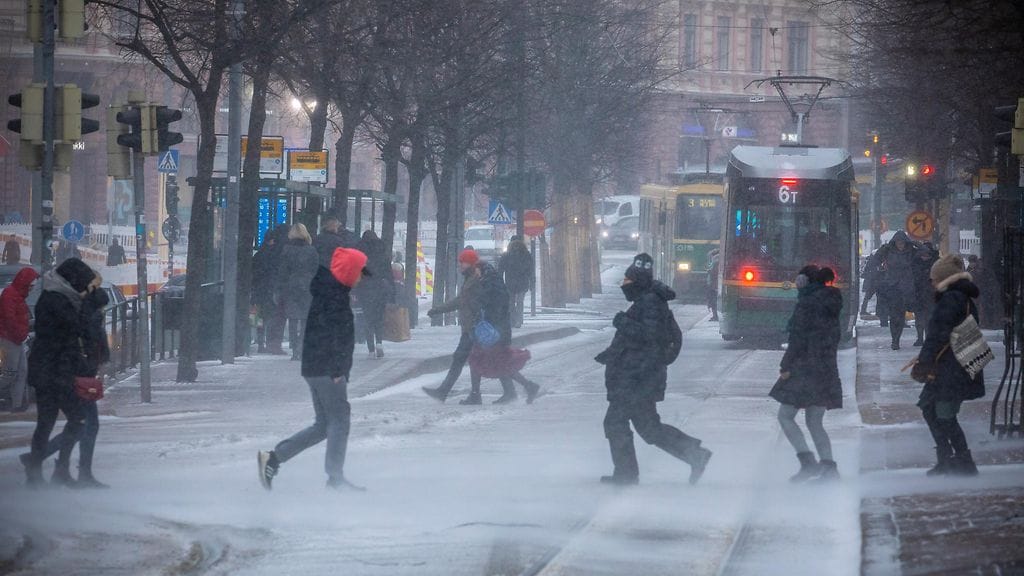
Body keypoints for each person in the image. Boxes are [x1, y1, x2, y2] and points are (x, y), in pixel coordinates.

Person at [594, 253, 712, 486]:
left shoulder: (649, 302)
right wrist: (612, 354)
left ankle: (627, 473)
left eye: (626, 282)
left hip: (638, 377)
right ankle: (694, 454)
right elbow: (641, 341)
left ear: (635, 282)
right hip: (640, 376)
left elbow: (650, 336)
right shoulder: (648, 301)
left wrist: (622, 323)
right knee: (648, 427)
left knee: (616, 423)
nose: (623, 286)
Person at [258, 247, 368, 492]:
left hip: (316, 367)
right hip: (328, 369)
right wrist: (338, 368)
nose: (361, 276)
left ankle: (274, 458)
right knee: (339, 420)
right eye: (359, 271)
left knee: (324, 425)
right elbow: (332, 336)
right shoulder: (334, 297)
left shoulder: (329, 292)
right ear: (350, 272)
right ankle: (335, 478)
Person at [21, 258, 95, 487]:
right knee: (76, 420)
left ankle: (38, 470)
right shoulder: (58, 300)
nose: (83, 289)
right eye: (81, 284)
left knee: (47, 422)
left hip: (51, 370)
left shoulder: (56, 297)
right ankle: (47, 468)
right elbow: (70, 335)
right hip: (54, 372)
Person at [911, 254, 985, 476]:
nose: (931, 282)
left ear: (943, 278)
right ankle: (950, 459)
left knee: (941, 413)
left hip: (950, 368)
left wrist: (924, 361)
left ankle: (961, 461)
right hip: (955, 365)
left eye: (933, 278)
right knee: (932, 408)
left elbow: (937, 334)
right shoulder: (962, 297)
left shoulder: (951, 298)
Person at [36, 274, 111, 488]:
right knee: (86, 424)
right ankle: (58, 464)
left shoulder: (85, 316)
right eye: (103, 308)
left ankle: (53, 464)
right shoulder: (90, 320)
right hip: (79, 377)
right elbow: (91, 348)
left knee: (83, 424)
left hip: (79, 376)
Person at [771, 265, 843, 482]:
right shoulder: (832, 302)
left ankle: (808, 462)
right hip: (825, 368)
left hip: (804, 369)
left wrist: (786, 366)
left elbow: (798, 339)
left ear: (804, 281)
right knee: (815, 420)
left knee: (785, 416)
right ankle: (829, 467)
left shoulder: (807, 303)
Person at [463, 261, 541, 405]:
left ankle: (477, 395)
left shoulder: (490, 284)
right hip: (497, 330)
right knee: (499, 362)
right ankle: (520, 389)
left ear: (482, 271)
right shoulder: (494, 282)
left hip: (492, 332)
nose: (476, 274)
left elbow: (490, 306)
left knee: (478, 359)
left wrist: (477, 304)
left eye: (477, 272)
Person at [422, 249, 483, 402]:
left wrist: (438, 309)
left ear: (470, 263)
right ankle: (472, 394)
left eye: (463, 262)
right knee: (470, 360)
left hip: (473, 328)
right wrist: (438, 310)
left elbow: (464, 302)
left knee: (464, 359)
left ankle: (447, 392)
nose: (460, 265)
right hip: (471, 328)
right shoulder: (471, 278)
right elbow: (461, 301)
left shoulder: (475, 280)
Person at [277, 224, 319, 361]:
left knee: (293, 318)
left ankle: (295, 349)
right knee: (305, 319)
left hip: (291, 286)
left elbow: (282, 271)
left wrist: (280, 287)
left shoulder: (286, 250)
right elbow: (316, 269)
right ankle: (301, 346)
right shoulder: (311, 250)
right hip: (307, 287)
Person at [0, 267, 39, 411]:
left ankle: (17, 405)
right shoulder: (10, 295)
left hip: (16, 339)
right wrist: (20, 334)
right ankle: (16, 404)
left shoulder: (17, 295)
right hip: (10, 339)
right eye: (31, 286)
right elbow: (9, 319)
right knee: (10, 374)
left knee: (21, 372)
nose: (32, 289)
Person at [355, 230, 395, 358]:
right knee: (378, 317)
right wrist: (392, 293)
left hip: (365, 289)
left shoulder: (360, 254)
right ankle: (379, 343)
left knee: (367, 319)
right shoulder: (382, 253)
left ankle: (371, 350)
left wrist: (354, 290)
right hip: (380, 289)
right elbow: (389, 274)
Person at [876, 231, 918, 349]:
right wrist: (884, 248)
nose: (901, 245)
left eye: (903, 242)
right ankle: (895, 340)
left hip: (906, 288)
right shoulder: (888, 251)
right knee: (894, 316)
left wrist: (916, 244)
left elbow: (927, 252)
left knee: (901, 315)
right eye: (899, 242)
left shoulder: (911, 251)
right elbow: (876, 259)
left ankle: (896, 338)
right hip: (892, 287)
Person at [251, 232, 280, 353]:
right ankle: (270, 343)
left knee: (259, 317)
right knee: (271, 317)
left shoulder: (258, 255)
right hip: (270, 291)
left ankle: (260, 342)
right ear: (272, 241)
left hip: (258, 291)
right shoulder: (274, 256)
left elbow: (253, 273)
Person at [498, 236, 534, 328]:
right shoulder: (526, 254)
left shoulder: (506, 255)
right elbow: (530, 270)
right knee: (519, 302)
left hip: (510, 283)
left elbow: (500, 270)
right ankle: (519, 320)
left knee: (511, 303)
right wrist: (532, 282)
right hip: (522, 282)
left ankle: (513, 320)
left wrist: (499, 282)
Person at [911, 244, 939, 346]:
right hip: (920, 295)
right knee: (920, 319)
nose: (925, 257)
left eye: (927, 255)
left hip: (930, 295)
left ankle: (926, 338)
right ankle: (920, 338)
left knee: (928, 318)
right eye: (923, 255)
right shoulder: (916, 263)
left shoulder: (935, 264)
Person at [706, 248, 720, 321]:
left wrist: (709, 271)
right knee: (713, 300)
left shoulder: (715, 260)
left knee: (713, 301)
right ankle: (715, 315)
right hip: (714, 284)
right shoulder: (717, 260)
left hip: (713, 285)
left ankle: (715, 316)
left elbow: (713, 272)